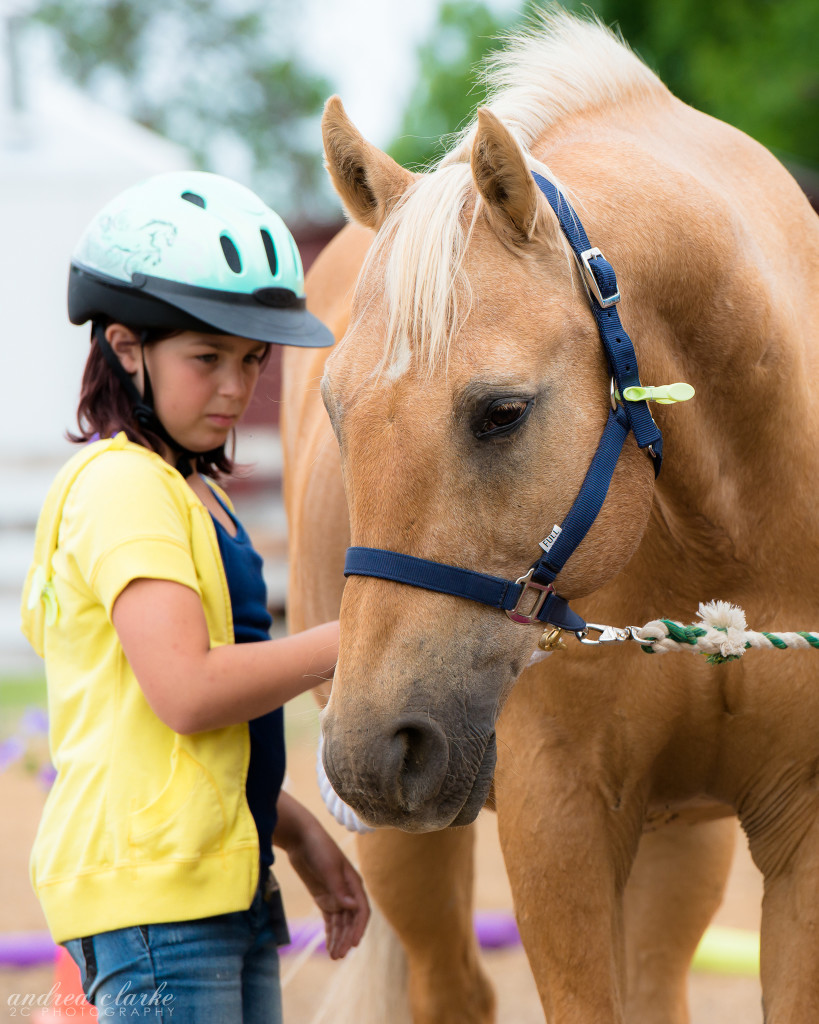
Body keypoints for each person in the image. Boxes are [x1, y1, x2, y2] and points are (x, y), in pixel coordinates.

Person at [20, 171, 369, 1023]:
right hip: (157, 906)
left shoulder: (192, 495)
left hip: (220, 880)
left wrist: (298, 835)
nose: (235, 388)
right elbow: (188, 692)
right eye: (206, 358)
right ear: (126, 347)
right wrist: (364, 630)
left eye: (251, 359)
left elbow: (189, 749)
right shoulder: (124, 488)